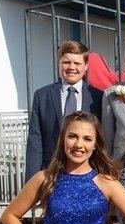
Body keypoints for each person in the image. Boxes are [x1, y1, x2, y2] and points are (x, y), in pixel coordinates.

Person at [25, 41, 102, 180]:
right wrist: (31, 181)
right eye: (66, 62)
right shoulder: (42, 96)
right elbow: (35, 142)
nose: (71, 67)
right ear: (59, 64)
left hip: (88, 174)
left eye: (77, 63)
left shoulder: (98, 97)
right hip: (51, 173)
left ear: (86, 66)